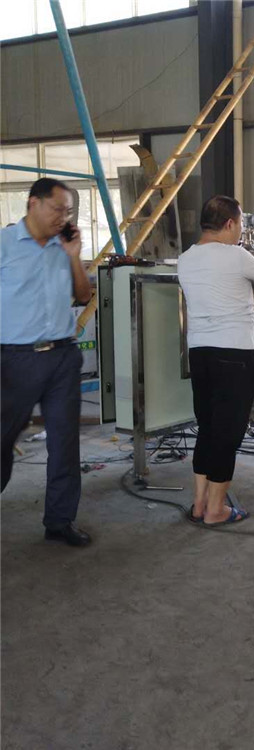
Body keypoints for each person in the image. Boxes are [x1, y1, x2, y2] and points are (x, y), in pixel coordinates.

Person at [178, 195, 254, 526]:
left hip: (200, 354)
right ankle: (216, 510)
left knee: (208, 428)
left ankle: (199, 504)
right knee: (228, 434)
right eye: (239, 225)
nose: (239, 232)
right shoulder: (236, 256)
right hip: (235, 356)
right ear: (229, 224)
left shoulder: (185, 258)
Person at [1, 178, 92, 546]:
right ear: (33, 204)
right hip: (14, 359)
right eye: (57, 209)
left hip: (62, 357)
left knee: (65, 443)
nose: (63, 218)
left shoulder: (62, 246)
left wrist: (74, 256)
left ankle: (59, 521)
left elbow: (83, 295)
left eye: (67, 212)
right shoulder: (5, 244)